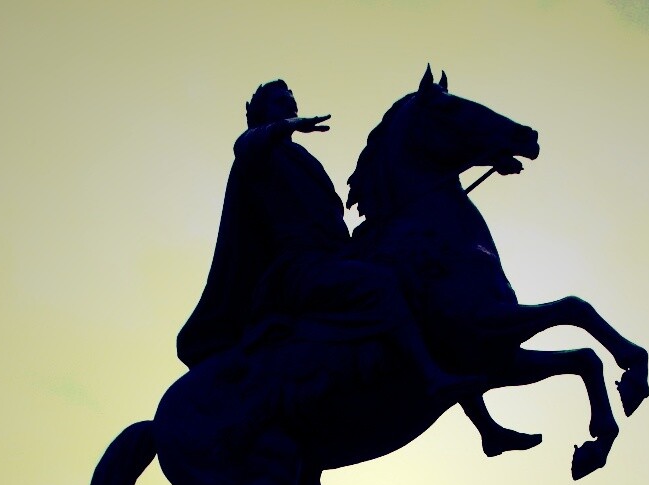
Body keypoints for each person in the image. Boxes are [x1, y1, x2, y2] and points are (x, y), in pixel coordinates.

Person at [178, 80, 479, 401]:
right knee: (380, 284)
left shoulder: (297, 156)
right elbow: (246, 144)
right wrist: (291, 124)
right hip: (298, 267)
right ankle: (431, 376)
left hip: (332, 255)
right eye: (280, 100)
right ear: (260, 112)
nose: (290, 103)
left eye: (291, 98)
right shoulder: (258, 151)